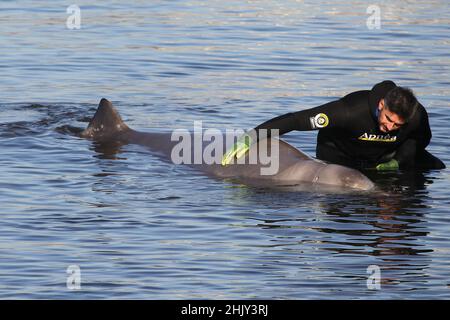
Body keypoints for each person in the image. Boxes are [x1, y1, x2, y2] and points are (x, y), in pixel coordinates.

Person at [221, 80, 445, 170]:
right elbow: (296, 120)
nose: (389, 127)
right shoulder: (350, 110)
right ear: (381, 104)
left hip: (381, 157)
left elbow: (421, 140)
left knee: (437, 166)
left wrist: (398, 161)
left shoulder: (416, 116)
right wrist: (252, 136)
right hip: (340, 156)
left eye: (397, 125)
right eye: (387, 119)